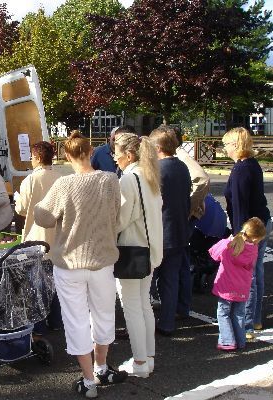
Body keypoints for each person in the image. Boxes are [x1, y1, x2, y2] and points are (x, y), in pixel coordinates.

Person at [34, 131, 127, 398]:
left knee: (75, 321)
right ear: (90, 152)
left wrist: (37, 203)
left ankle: (88, 381)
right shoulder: (110, 180)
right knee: (104, 315)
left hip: (69, 263)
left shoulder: (64, 185)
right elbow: (116, 214)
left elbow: (44, 218)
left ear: (67, 155)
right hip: (102, 260)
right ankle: (102, 367)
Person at [114, 133, 163, 377]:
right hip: (150, 250)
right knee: (144, 305)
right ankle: (148, 359)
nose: (115, 158)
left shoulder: (129, 178)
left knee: (132, 306)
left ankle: (141, 364)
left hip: (132, 251)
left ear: (129, 155)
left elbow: (121, 219)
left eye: (117, 153)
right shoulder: (149, 175)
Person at [222, 127, 272, 339]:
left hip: (249, 229)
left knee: (247, 276)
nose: (224, 149)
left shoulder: (241, 169)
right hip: (262, 222)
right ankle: (256, 319)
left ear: (235, 145)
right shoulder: (252, 164)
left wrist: (238, 236)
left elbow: (240, 204)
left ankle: (247, 324)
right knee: (256, 272)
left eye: (226, 144)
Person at [15, 141, 63, 332]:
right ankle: (58, 321)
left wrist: (17, 198)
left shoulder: (30, 180)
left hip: (36, 237)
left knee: (37, 284)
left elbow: (22, 208)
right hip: (58, 237)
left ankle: (40, 326)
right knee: (57, 283)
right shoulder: (61, 178)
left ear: (36, 158)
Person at [149, 126, 191, 336]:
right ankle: (167, 322)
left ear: (157, 147)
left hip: (160, 232)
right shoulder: (182, 167)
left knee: (147, 281)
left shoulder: (157, 170)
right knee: (171, 279)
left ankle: (146, 324)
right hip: (179, 231)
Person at [209, 217, 266, 351]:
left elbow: (213, 253)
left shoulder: (228, 244)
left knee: (223, 313)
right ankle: (240, 341)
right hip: (242, 288)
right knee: (239, 314)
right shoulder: (254, 249)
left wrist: (227, 240)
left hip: (226, 286)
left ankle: (228, 341)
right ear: (255, 238)